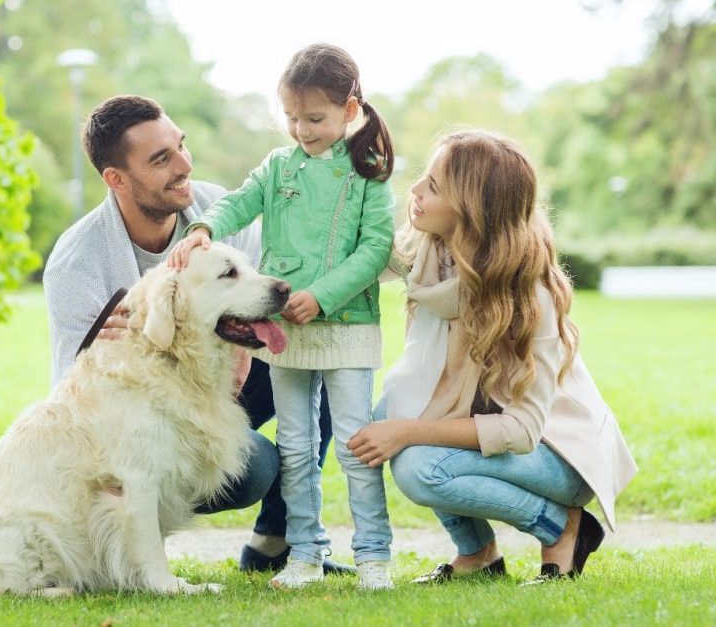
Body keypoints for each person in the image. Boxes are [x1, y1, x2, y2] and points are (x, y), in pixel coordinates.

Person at [42, 94, 347, 575]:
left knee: (325, 370)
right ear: (115, 179)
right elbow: (71, 394)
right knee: (256, 468)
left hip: (223, 371)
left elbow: (258, 294)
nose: (183, 164)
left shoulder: (214, 207)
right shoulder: (77, 263)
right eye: (161, 159)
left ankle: (275, 542)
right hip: (142, 413)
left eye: (180, 146)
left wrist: (240, 350)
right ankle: (142, 539)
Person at [347, 130, 637, 585]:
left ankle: (562, 528)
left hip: (557, 454)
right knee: (395, 411)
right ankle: (479, 555)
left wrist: (407, 430)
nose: (416, 192)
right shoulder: (432, 251)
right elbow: (358, 258)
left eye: (435, 187)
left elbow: (522, 431)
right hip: (491, 422)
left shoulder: (527, 296)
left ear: (473, 212)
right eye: (424, 177)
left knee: (420, 465)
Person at [169, 44, 396, 591]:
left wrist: (321, 296)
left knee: (353, 444)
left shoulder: (369, 174)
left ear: (350, 108)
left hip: (346, 329)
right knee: (295, 446)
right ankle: (304, 552)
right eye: (292, 118)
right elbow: (239, 202)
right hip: (288, 333)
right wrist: (203, 229)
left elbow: (374, 249)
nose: (301, 130)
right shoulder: (278, 166)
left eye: (314, 118)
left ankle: (373, 557)